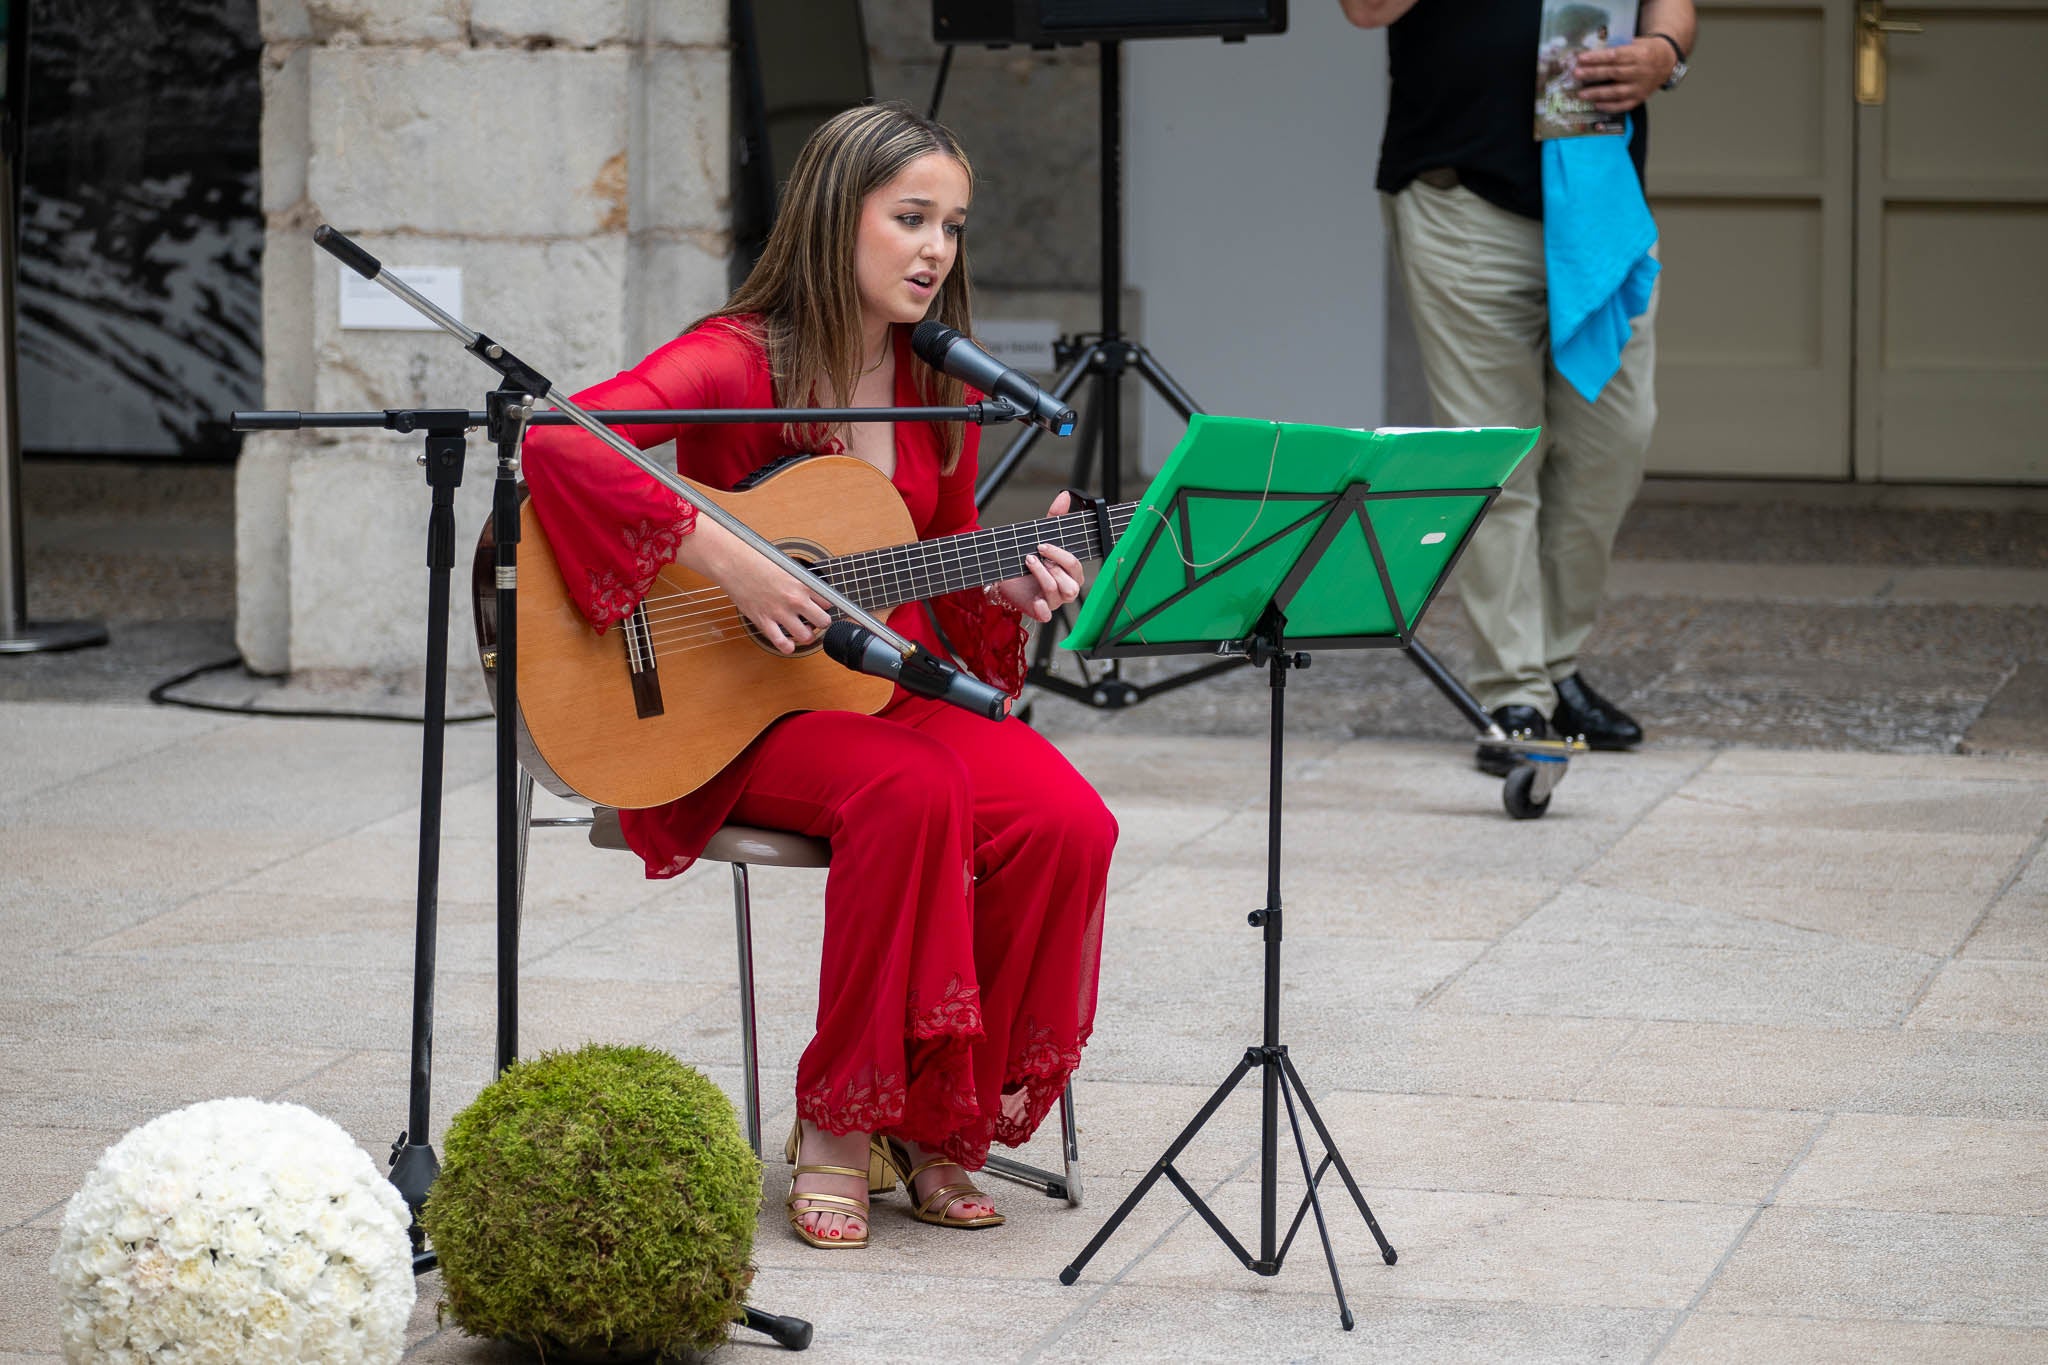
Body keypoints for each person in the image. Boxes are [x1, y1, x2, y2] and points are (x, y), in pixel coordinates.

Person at [518, 101, 1117, 1250]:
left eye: (950, 224)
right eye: (909, 218)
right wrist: (726, 556)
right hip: (723, 708)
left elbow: (922, 580)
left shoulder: (934, 385)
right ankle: (838, 1124)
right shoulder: (737, 357)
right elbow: (558, 438)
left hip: (861, 687)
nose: (936, 249)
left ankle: (942, 1125)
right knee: (910, 790)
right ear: (834, 219)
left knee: (1064, 820)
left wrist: (999, 589)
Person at [1341, 0, 1697, 771]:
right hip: (1461, 197)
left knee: (1616, 442)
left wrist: (1664, 51)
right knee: (1496, 459)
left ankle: (1555, 662)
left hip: (1599, 202)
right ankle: (1516, 691)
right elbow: (1364, 10)